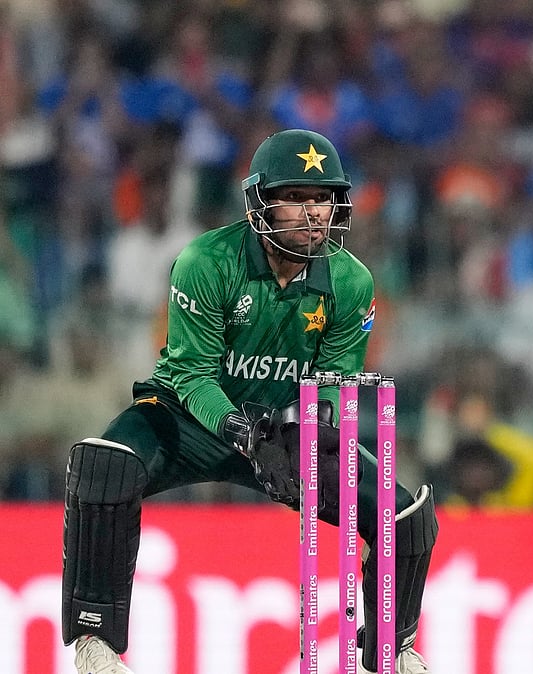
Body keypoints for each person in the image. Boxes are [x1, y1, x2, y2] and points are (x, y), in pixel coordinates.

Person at [61, 128, 437, 674]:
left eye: (324, 201)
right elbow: (190, 375)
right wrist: (240, 429)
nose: (314, 216)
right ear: (261, 203)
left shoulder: (351, 282)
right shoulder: (207, 261)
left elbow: (334, 379)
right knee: (104, 464)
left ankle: (389, 649)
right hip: (188, 418)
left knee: (403, 515)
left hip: (284, 432)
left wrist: (312, 428)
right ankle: (94, 642)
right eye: (297, 200)